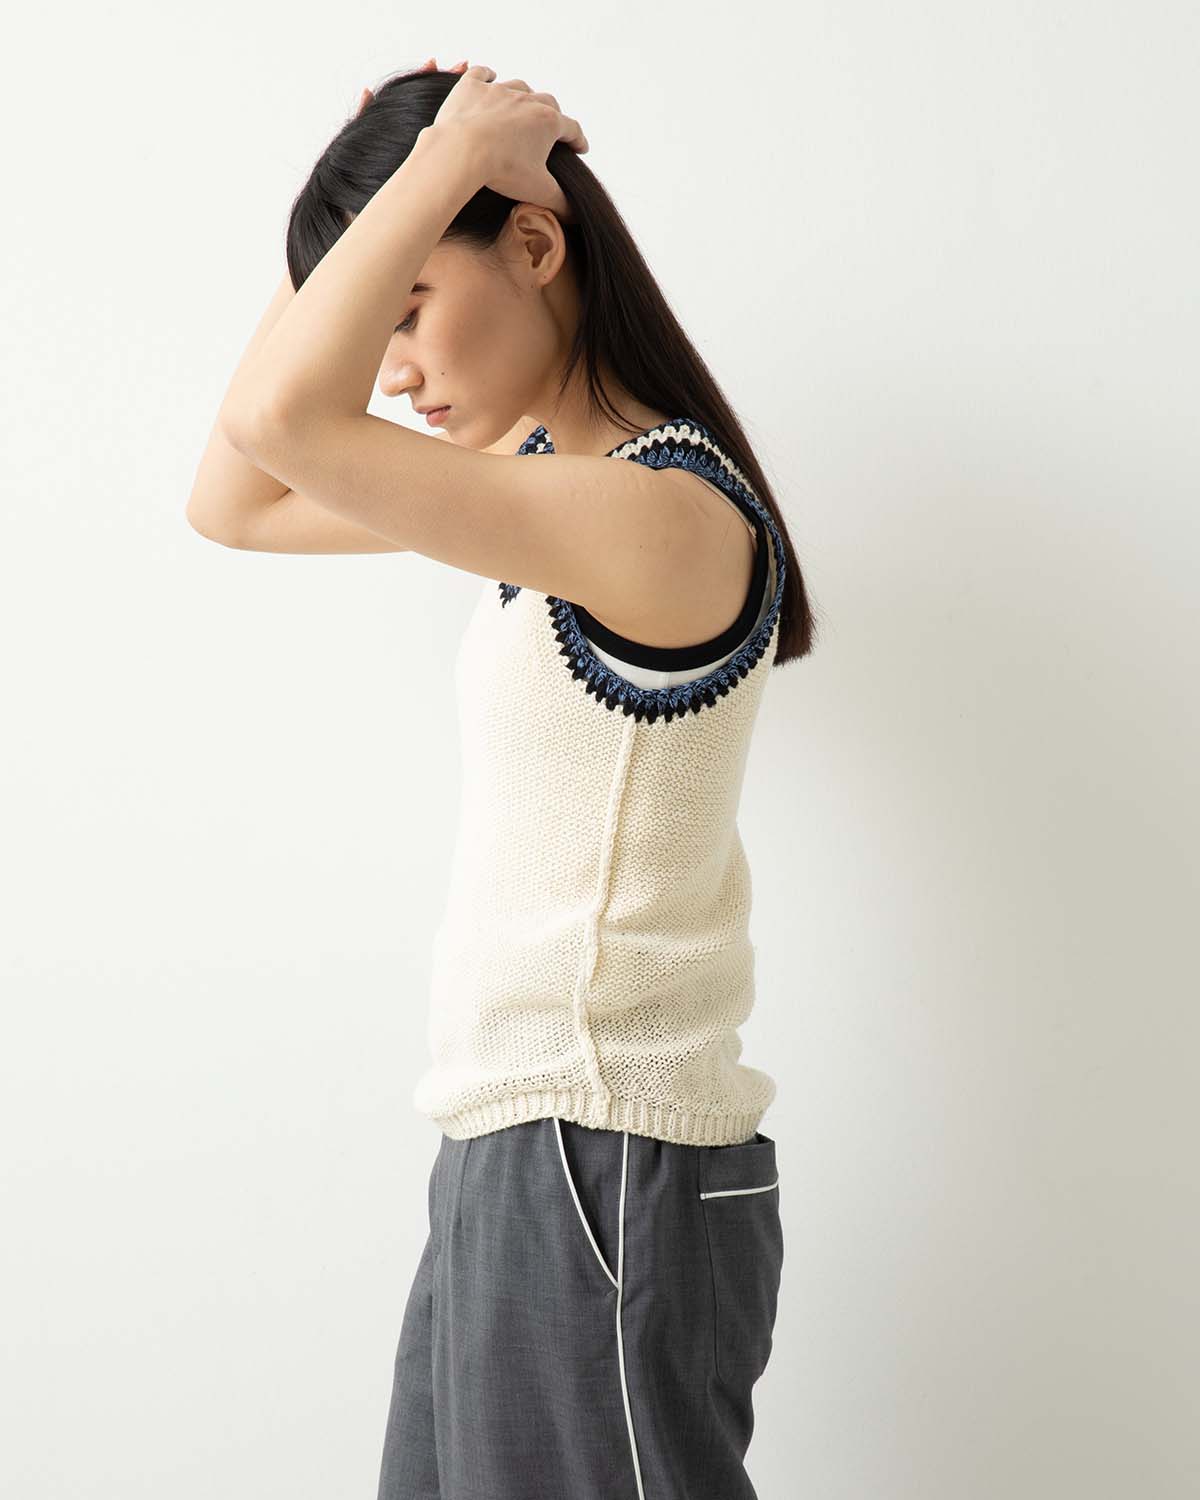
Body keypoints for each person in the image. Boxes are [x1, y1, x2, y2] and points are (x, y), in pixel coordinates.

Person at [187, 56, 819, 1500]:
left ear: (535, 244)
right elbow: (236, 499)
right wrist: (379, 190)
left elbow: (286, 427)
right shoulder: (541, 498)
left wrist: (436, 168)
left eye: (407, 308)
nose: (391, 372)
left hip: (601, 1153)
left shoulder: (654, 517)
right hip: (520, 1148)